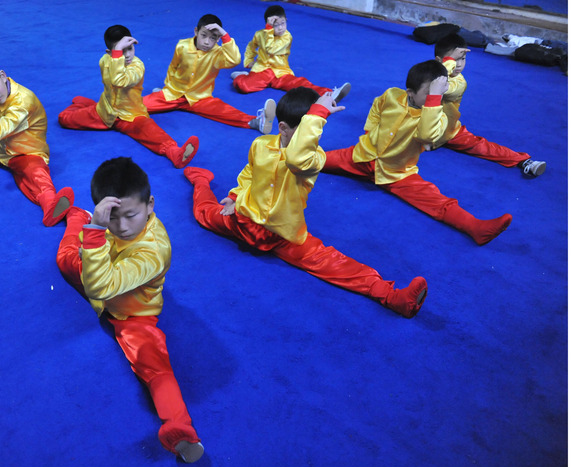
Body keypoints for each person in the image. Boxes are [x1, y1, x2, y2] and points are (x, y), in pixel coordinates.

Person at [183, 87, 428, 318]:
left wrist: (318, 115)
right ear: (284, 129)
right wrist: (235, 196)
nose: (312, 139)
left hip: (283, 234)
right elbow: (250, 172)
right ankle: (201, 181)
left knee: (335, 264)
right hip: (243, 220)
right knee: (203, 212)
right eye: (306, 132)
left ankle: (393, 296)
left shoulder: (313, 158)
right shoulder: (259, 145)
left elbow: (296, 157)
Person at [56, 157, 204, 463]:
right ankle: (75, 219)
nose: (122, 227)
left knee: (155, 364)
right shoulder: (111, 225)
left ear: (150, 205)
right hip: (97, 265)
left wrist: (96, 230)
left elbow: (101, 287)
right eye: (113, 218)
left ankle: (180, 428)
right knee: (64, 258)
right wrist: (94, 229)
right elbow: (97, 273)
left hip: (133, 313)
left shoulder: (153, 251)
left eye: (131, 216)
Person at [322, 60, 512, 245]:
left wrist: (434, 99)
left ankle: (476, 227)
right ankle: (290, 152)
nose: (435, 97)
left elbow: (426, 135)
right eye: (429, 94)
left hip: (397, 173)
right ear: (410, 93)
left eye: (438, 93)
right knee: (315, 160)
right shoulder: (392, 95)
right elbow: (377, 106)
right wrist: (369, 131)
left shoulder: (439, 117)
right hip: (361, 156)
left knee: (435, 199)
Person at [58, 25, 198, 169]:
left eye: (129, 48)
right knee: (64, 119)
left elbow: (119, 81)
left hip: (131, 116)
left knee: (150, 129)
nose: (127, 55)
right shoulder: (104, 60)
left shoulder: (138, 66)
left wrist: (117, 53)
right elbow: (111, 79)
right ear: (109, 52)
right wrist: (116, 54)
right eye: (121, 51)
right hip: (104, 112)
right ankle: (84, 105)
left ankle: (175, 153)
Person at [0, 58, 73, 226]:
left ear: (3, 75)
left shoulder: (23, 102)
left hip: (26, 151)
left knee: (36, 174)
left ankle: (50, 205)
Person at [431, 33, 546, 176]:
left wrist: (447, 63)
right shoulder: (428, 73)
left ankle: (523, 160)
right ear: (440, 61)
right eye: (454, 60)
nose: (459, 64)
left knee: (481, 146)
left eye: (463, 59)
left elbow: (439, 86)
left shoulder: (460, 82)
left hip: (448, 131)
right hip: (420, 128)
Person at [142, 13, 276, 134]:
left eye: (213, 38)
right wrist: (167, 88)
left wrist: (225, 35)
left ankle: (256, 122)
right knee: (138, 105)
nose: (207, 42)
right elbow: (173, 67)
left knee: (223, 111)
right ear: (196, 31)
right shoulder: (182, 46)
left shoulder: (217, 53)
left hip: (200, 98)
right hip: (174, 93)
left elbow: (235, 60)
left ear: (218, 39)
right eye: (203, 35)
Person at [230, 4, 351, 103]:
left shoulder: (287, 37)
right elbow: (251, 46)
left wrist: (269, 30)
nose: (281, 28)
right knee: (243, 87)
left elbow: (270, 49)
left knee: (301, 85)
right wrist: (248, 61)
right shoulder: (260, 34)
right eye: (276, 25)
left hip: (281, 72)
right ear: (268, 25)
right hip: (262, 70)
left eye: (283, 23)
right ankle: (241, 75)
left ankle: (330, 93)